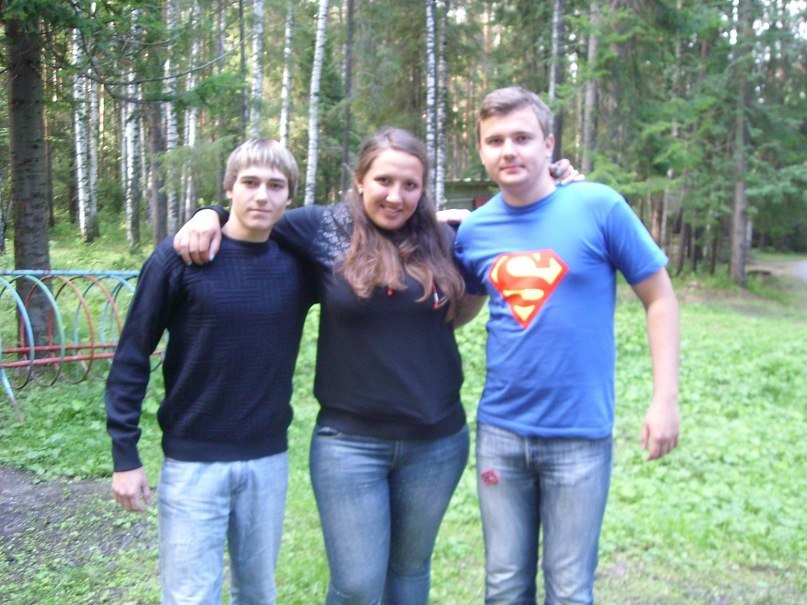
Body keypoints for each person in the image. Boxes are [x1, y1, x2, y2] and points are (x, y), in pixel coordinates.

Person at [173, 127, 580, 604]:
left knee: (409, 573)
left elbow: (517, 228)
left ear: (423, 189)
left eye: (410, 185)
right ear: (360, 179)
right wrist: (208, 214)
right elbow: (255, 213)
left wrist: (558, 185)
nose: (395, 196)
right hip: (349, 445)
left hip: (436, 443)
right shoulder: (324, 228)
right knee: (357, 586)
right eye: (384, 181)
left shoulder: (444, 236)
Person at [452, 86, 681, 604]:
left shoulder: (598, 206)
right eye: (495, 140)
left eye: (522, 137)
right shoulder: (474, 230)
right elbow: (463, 309)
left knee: (571, 587)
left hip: (580, 435)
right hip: (501, 432)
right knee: (504, 585)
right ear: (481, 150)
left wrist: (665, 399)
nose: (509, 150)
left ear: (549, 144)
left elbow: (660, 299)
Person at [106, 139, 315, 604]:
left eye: (275, 186)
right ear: (229, 188)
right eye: (250, 182)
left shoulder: (300, 264)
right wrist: (125, 456)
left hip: (267, 461)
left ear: (289, 196)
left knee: (257, 593)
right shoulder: (178, 257)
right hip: (192, 463)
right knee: (190, 596)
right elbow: (132, 355)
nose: (261, 195)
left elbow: (365, 231)